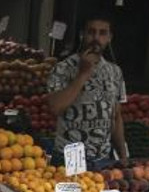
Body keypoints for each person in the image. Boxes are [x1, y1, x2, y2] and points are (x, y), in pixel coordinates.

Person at [46, 13, 129, 166]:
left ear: (109, 37)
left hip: (103, 159)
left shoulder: (115, 72)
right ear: (82, 35)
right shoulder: (62, 68)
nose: (96, 38)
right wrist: (83, 74)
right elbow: (55, 107)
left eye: (102, 33)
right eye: (91, 32)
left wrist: (123, 156)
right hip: (69, 158)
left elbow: (116, 117)